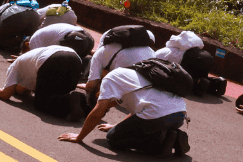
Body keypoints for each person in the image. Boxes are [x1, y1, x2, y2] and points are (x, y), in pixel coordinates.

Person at [58, 63, 190, 156]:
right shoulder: (130, 77)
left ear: (98, 92)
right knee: (136, 127)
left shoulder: (109, 80)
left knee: (114, 138)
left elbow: (97, 113)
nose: (106, 106)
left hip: (158, 116)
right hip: (179, 115)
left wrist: (79, 137)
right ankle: (169, 134)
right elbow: (137, 111)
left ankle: (162, 141)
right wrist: (117, 125)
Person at [0, 45, 91, 120]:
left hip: (52, 59)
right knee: (61, 93)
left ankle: (73, 100)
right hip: (75, 58)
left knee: (41, 104)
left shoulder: (14, 67)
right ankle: (85, 105)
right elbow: (25, 90)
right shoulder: (27, 66)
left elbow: (5, 95)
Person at [84, 29, 155, 100]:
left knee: (103, 73)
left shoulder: (102, 51)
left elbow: (90, 86)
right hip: (144, 92)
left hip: (125, 94)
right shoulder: (152, 52)